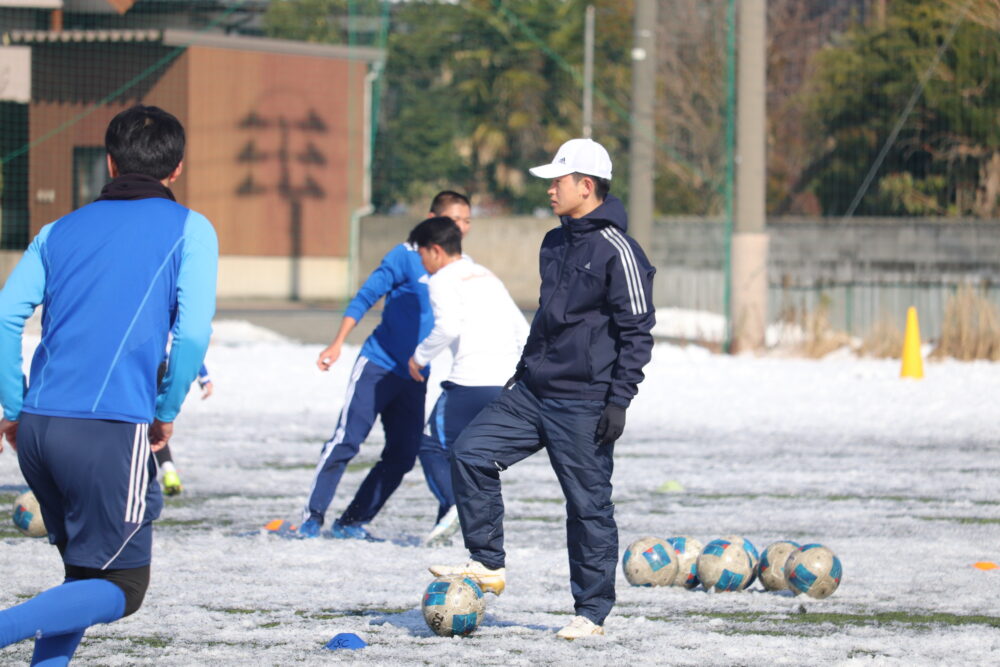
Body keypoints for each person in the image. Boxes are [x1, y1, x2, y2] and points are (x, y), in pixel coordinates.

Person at [0, 105, 217, 662]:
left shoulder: (57, 230)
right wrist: (165, 411)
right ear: (178, 168)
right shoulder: (191, 228)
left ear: (110, 161)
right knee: (122, 588)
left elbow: (5, 314)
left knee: (82, 581)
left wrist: (14, 406)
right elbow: (191, 335)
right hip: (107, 431)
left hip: (41, 430)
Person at [430, 138, 655, 640]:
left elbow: (638, 332)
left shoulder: (620, 250)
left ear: (586, 186)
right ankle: (487, 564)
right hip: (531, 391)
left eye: (558, 180)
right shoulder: (553, 243)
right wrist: (524, 370)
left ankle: (591, 612)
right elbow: (549, 321)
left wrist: (619, 400)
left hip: (585, 401)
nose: (550, 189)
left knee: (587, 505)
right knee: (468, 452)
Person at [297, 192, 472, 540]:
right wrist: (336, 343)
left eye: (467, 221)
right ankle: (311, 517)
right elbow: (365, 296)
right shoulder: (406, 256)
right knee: (347, 441)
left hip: (415, 375)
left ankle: (352, 522)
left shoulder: (461, 268)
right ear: (431, 218)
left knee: (404, 453)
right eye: (454, 220)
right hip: (378, 366)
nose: (462, 228)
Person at [405, 217, 528, 546]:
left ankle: (456, 506)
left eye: (421, 255)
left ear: (435, 251)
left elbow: (448, 327)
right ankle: (451, 529)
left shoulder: (442, 279)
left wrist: (418, 358)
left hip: (469, 382)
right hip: (504, 384)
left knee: (431, 445)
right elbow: (521, 328)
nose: (422, 263)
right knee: (471, 454)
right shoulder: (486, 275)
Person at [155, 362, 214, 496]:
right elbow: (187, 346)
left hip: (145, 367)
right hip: (164, 370)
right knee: (156, 427)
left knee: (144, 427)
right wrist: (204, 377)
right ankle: (169, 471)